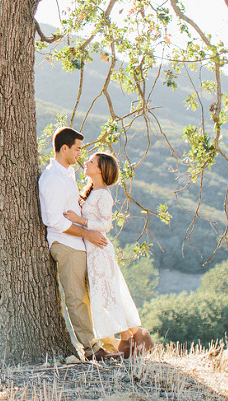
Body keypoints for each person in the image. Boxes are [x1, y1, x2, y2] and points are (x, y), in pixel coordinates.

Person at [62, 151, 155, 357]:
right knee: (106, 295)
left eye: (91, 161)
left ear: (101, 169)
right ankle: (132, 335)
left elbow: (106, 224)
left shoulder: (103, 194)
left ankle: (133, 335)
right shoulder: (92, 191)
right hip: (92, 251)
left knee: (107, 295)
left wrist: (80, 220)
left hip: (100, 251)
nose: (86, 162)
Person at [38, 126, 114, 361]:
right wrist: (87, 233)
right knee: (76, 297)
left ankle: (108, 343)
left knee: (92, 296)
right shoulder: (52, 178)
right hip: (66, 243)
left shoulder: (68, 174)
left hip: (79, 244)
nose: (81, 153)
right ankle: (91, 350)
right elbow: (53, 220)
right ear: (64, 148)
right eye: (78, 149)